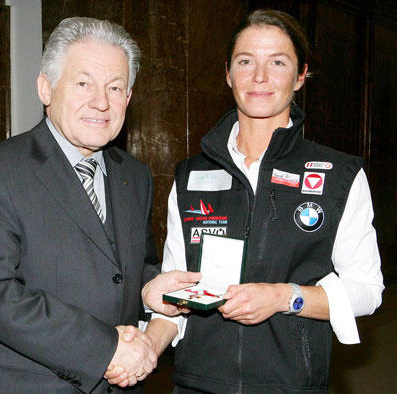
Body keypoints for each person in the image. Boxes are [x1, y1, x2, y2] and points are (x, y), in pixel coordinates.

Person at [128, 8, 384, 393]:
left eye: (277, 62)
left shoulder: (339, 175)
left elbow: (366, 290)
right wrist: (148, 344)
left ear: (301, 76)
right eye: (246, 61)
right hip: (197, 382)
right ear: (228, 73)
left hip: (290, 383)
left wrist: (285, 297)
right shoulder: (189, 176)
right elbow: (179, 293)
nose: (260, 76)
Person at [0, 17, 202, 393]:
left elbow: (125, 266)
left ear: (129, 98)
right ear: (46, 88)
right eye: (83, 83)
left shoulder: (133, 175)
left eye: (115, 87)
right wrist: (105, 349)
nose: (101, 102)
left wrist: (152, 286)